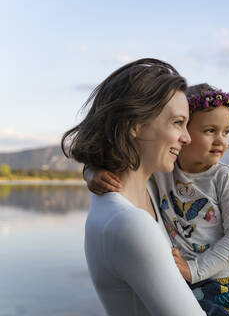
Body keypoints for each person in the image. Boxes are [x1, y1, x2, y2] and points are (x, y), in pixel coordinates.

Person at [85, 84, 229, 316]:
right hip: (184, 281)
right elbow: (129, 165)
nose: (221, 140)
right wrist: (91, 172)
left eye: (226, 132)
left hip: (220, 281)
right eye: (210, 130)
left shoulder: (223, 176)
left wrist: (194, 269)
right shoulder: (163, 170)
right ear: (186, 133)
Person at [61, 58, 206, 316]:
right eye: (177, 123)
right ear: (134, 125)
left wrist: (91, 170)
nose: (187, 137)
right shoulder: (129, 223)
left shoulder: (142, 191)